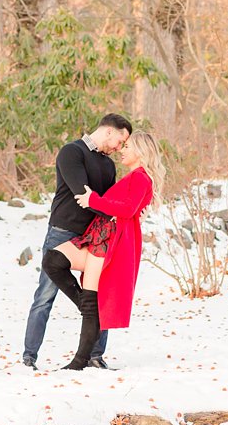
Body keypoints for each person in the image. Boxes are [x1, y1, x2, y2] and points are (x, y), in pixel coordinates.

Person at [21, 113, 132, 369]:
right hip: (63, 231)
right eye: (120, 140)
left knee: (100, 295)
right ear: (108, 131)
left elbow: (110, 201)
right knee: (45, 295)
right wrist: (109, 207)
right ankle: (29, 356)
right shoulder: (72, 152)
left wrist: (118, 209)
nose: (119, 147)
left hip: (94, 237)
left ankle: (95, 355)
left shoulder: (109, 165)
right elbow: (83, 193)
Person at [47, 131, 165, 370]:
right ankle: (87, 308)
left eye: (128, 147)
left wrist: (93, 200)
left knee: (90, 297)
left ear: (141, 152)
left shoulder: (142, 178)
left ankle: (79, 362)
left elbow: (128, 208)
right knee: (53, 260)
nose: (122, 149)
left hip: (108, 241)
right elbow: (126, 208)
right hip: (98, 236)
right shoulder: (135, 177)